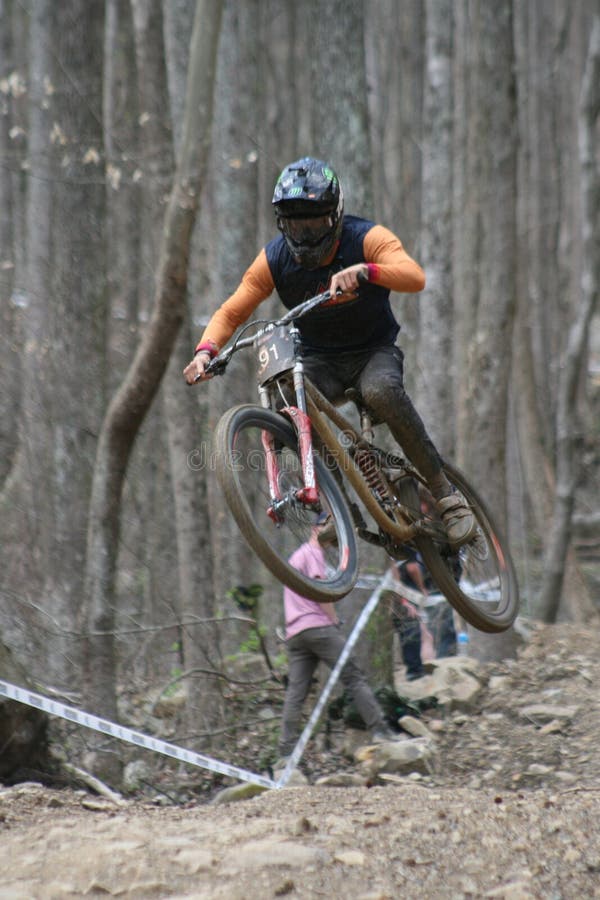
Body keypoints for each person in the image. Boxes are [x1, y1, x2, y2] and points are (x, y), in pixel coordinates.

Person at [184, 156, 475, 546]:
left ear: (334, 215)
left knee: (380, 392)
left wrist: (367, 271)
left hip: (373, 351)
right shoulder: (274, 260)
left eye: (314, 224)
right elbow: (233, 309)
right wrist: (206, 351)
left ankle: (446, 495)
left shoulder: (366, 238)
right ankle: (338, 509)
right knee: (289, 403)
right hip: (320, 361)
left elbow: (414, 276)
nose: (304, 236)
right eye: (294, 225)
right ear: (281, 223)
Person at [277, 513, 398, 760]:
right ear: (316, 528)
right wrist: (333, 620)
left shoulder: (297, 555)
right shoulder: (313, 554)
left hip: (295, 633)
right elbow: (322, 593)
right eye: (328, 526)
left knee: (296, 693)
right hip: (318, 628)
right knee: (353, 677)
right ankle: (380, 729)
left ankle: (286, 749)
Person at [390, 551, 457, 681]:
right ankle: (414, 670)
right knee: (413, 629)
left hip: (400, 592)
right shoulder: (405, 543)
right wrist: (421, 588)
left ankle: (416, 668)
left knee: (421, 632)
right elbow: (412, 567)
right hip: (406, 592)